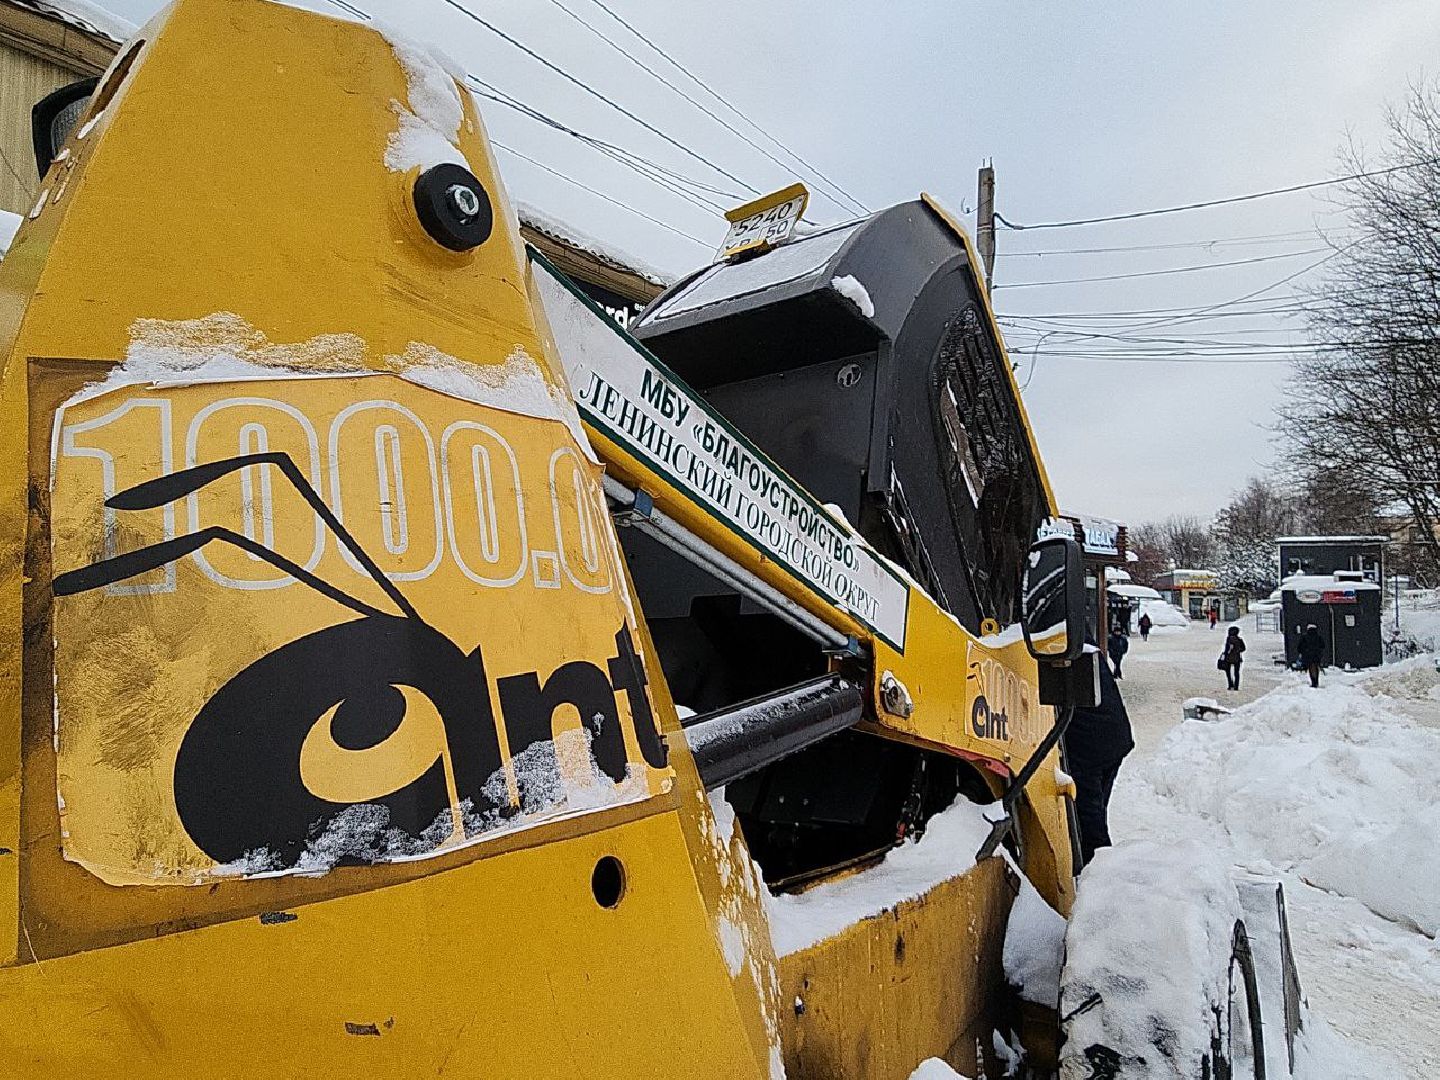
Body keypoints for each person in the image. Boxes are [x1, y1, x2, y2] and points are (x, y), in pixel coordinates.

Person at [1062, 657, 1134, 866]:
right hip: (1110, 736)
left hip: (1089, 745)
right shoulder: (1074, 631)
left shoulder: (1053, 633)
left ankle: (1099, 878)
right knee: (1093, 815)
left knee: (1089, 826)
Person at [1297, 623, 1326, 687]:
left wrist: (1302, 652)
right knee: (1316, 667)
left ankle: (1313, 681)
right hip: (1317, 656)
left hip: (1308, 656)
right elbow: (1323, 645)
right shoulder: (1319, 637)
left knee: (1311, 668)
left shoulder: (1304, 637)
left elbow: (1299, 647)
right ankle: (1316, 681)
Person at [1220, 625, 1246, 691]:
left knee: (1228, 672)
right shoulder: (1239, 639)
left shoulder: (1228, 639)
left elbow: (1226, 649)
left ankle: (1230, 685)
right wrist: (1238, 651)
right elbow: (1244, 648)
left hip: (1228, 658)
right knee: (1236, 673)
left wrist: (1224, 656)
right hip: (1237, 658)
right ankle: (1236, 686)